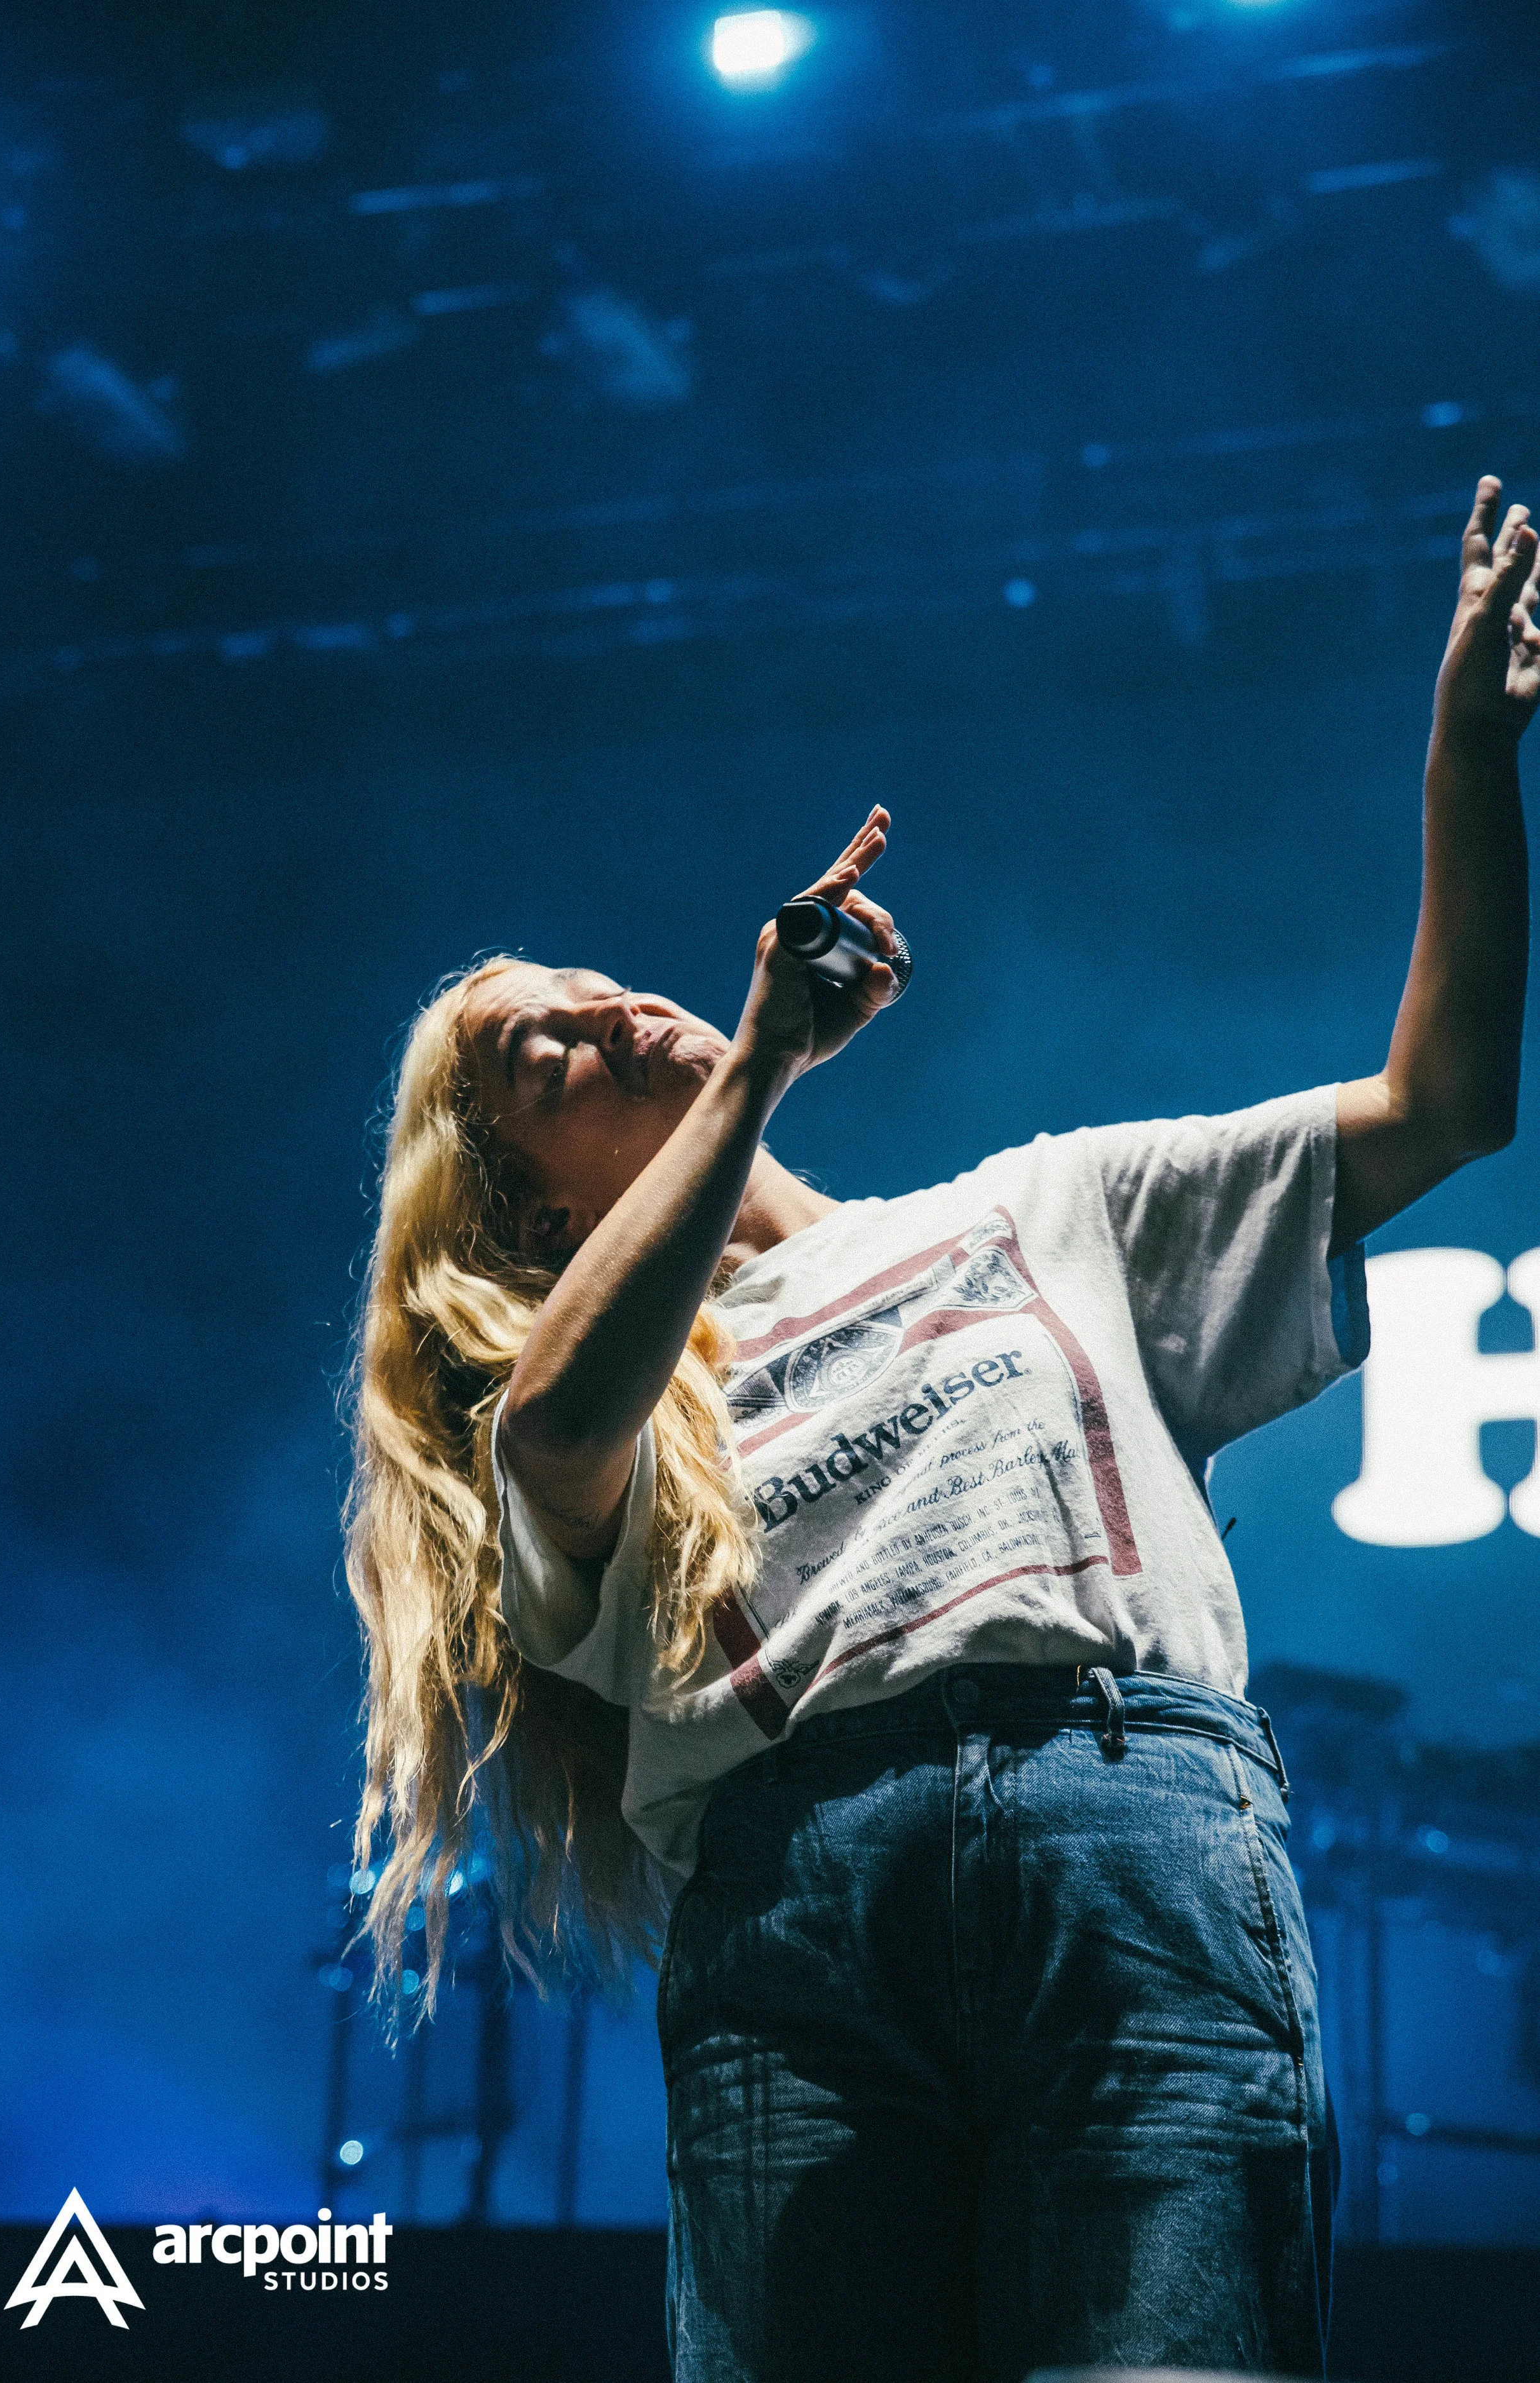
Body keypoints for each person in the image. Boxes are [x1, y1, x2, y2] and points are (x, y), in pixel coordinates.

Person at [344, 479, 1539, 2380]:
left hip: (1122, 1827)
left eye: (588, 982)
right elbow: (560, 1431)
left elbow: (1443, 1100)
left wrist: (1468, 745)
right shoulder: (578, 1390)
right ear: (523, 1213)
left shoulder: (1036, 1208)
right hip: (795, 1894)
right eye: (531, 1047)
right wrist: (758, 1058)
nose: (600, 1001)